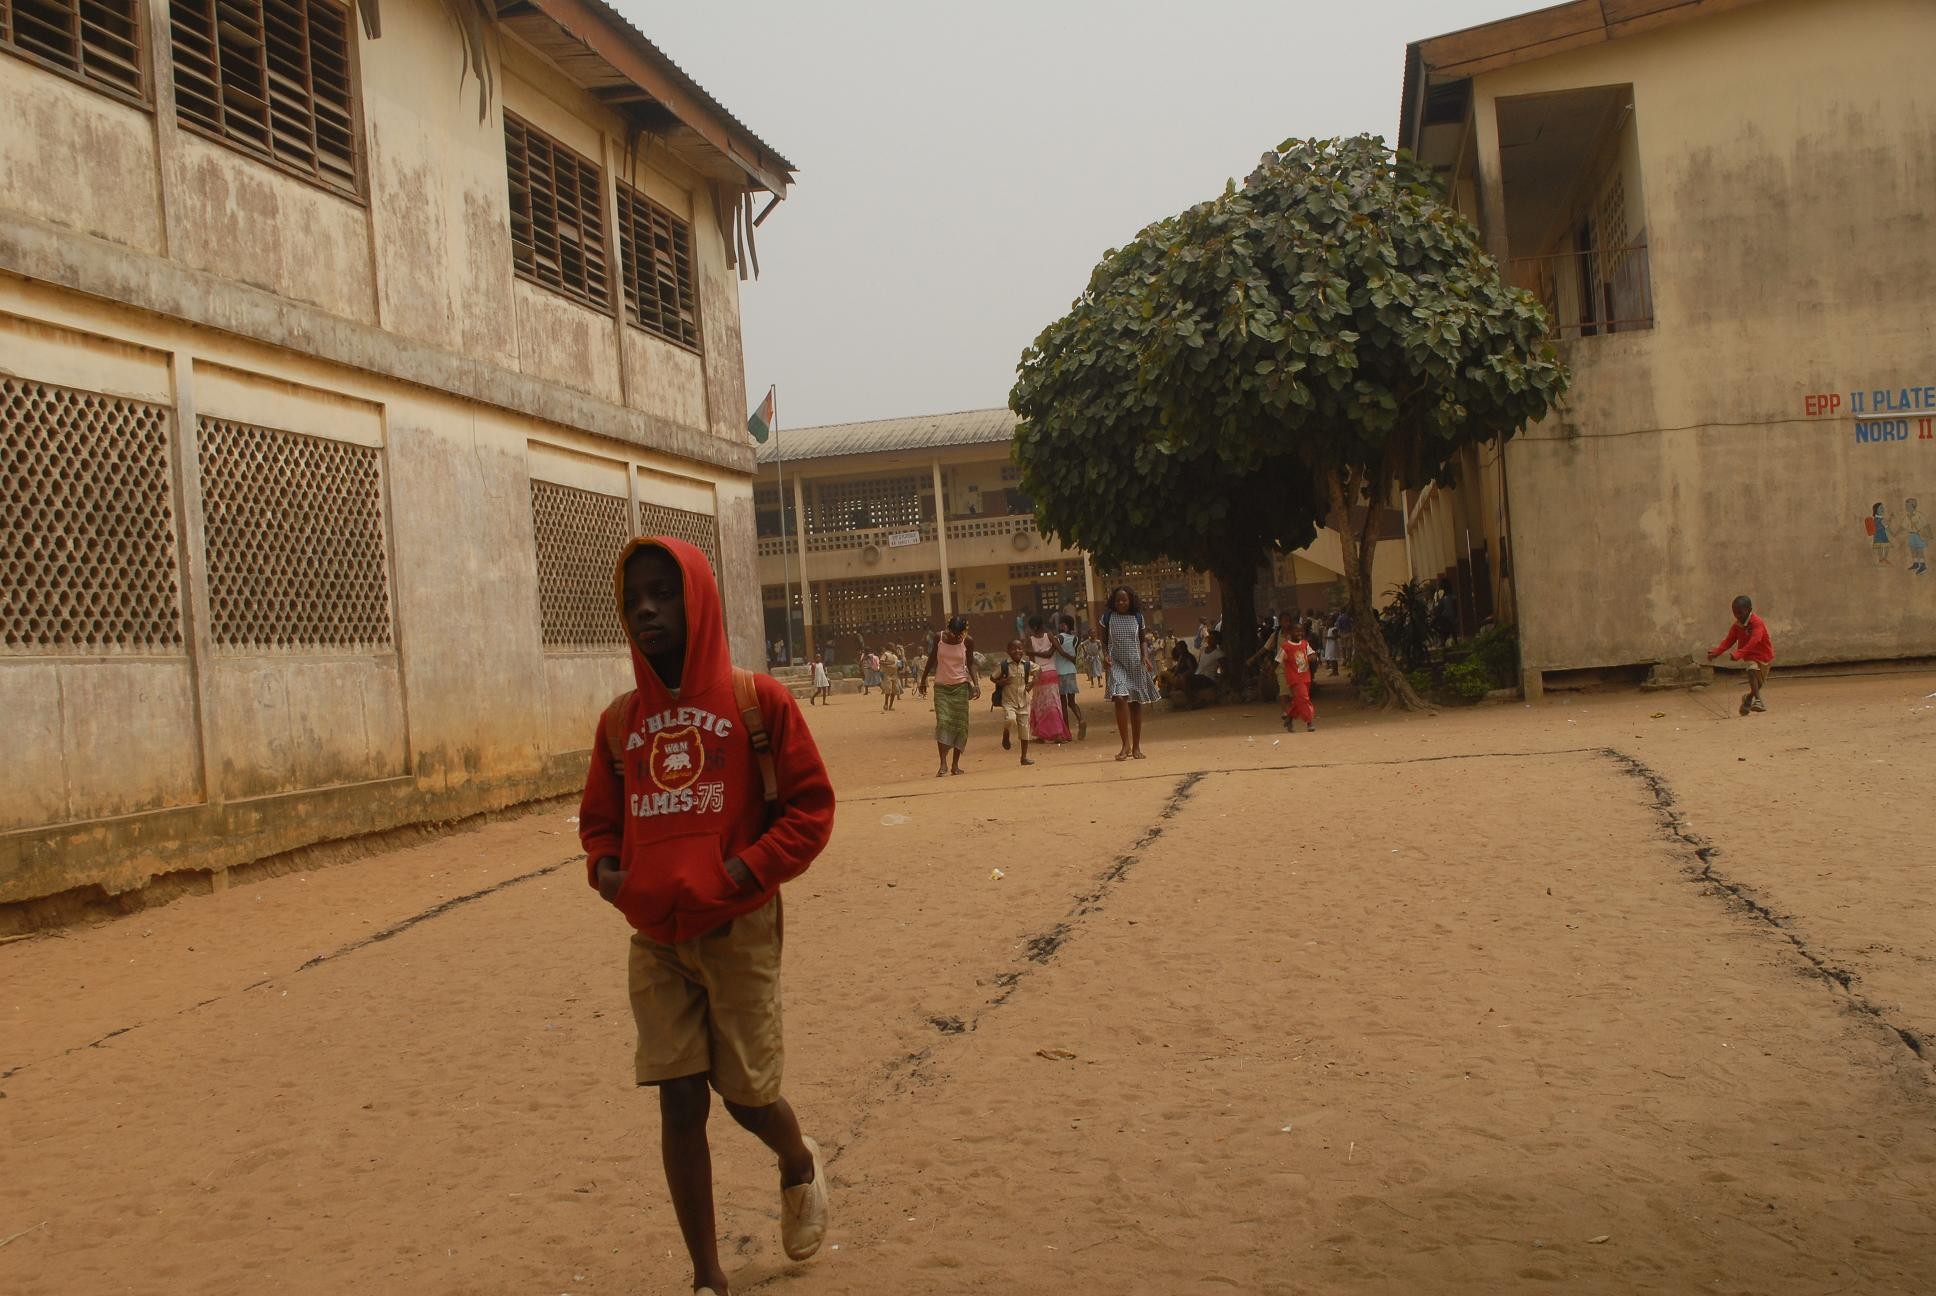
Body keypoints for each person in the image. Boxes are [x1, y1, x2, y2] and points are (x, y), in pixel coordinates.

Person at [580, 537, 835, 1296]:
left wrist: (743, 871)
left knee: (747, 1098)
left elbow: (812, 810)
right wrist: (611, 877)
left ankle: (797, 1162)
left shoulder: (759, 703)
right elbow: (599, 823)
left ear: (700, 601)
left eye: (664, 593)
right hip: (656, 939)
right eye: (634, 599)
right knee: (680, 1097)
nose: (647, 609)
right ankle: (706, 1275)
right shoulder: (621, 721)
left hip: (739, 929)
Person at [917, 616, 979, 776]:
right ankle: (943, 763)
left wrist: (976, 684)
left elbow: (970, 663)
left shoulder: (968, 641)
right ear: (948, 629)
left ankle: (955, 765)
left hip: (960, 686)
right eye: (953, 633)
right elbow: (932, 659)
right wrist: (923, 679)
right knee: (943, 722)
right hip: (942, 687)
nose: (955, 636)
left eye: (959, 634)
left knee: (960, 725)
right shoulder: (939, 637)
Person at [1101, 586, 1154, 760]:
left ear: (1130, 601)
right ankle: (1125, 745)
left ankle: (1137, 746)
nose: (1121, 603)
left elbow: (1143, 641)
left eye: (1124, 600)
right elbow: (1104, 641)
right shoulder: (1107, 618)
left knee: (1135, 703)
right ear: (1113, 602)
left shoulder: (1138, 617)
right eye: (1118, 600)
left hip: (1135, 663)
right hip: (1116, 663)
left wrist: (1145, 657)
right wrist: (1106, 656)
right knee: (1119, 697)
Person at [1708, 594, 1774, 715]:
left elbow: (1755, 640)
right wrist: (1716, 652)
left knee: (1757, 686)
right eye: (1735, 613)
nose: (1737, 616)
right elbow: (1729, 640)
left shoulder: (1757, 622)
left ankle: (1748, 699)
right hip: (1750, 656)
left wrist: (1738, 654)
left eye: (1740, 613)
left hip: (1765, 656)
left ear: (1749, 610)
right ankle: (1758, 701)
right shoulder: (1737, 626)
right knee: (1751, 670)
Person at [1026, 614, 1073, 744]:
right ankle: (1057, 733)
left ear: (1034, 627)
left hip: (1039, 673)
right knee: (1054, 704)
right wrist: (1073, 659)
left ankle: (1042, 734)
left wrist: (1034, 654)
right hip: (1051, 673)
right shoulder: (1050, 635)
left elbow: (1032, 661)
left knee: (1039, 705)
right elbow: (1058, 651)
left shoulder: (1030, 640)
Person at [991, 640, 1035, 763]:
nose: (1017, 651)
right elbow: (992, 677)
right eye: (1013, 649)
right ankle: (1006, 734)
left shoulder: (1027, 665)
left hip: (1024, 701)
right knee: (1010, 719)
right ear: (1008, 651)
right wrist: (1001, 682)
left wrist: (1033, 683)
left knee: (1025, 730)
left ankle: (1024, 757)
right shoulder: (1004, 665)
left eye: (1020, 648)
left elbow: (1038, 671)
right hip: (1009, 700)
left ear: (1023, 650)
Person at [1281, 621, 1316, 732]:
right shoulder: (1286, 646)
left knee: (1299, 700)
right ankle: (1309, 721)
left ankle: (1289, 718)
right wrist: (1271, 672)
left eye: (1301, 631)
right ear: (1290, 632)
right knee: (1305, 698)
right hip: (1294, 678)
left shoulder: (1305, 644)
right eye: (1296, 631)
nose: (1299, 633)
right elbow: (1277, 660)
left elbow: (1312, 654)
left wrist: (1313, 658)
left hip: (1305, 676)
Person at [878, 645, 902, 711]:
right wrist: (889, 663)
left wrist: (900, 666)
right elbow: (880, 661)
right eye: (893, 646)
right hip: (887, 674)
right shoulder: (885, 654)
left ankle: (891, 706)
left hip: (894, 674)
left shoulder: (895, 656)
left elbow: (898, 665)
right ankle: (886, 704)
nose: (894, 648)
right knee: (888, 689)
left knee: (894, 690)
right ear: (890, 648)